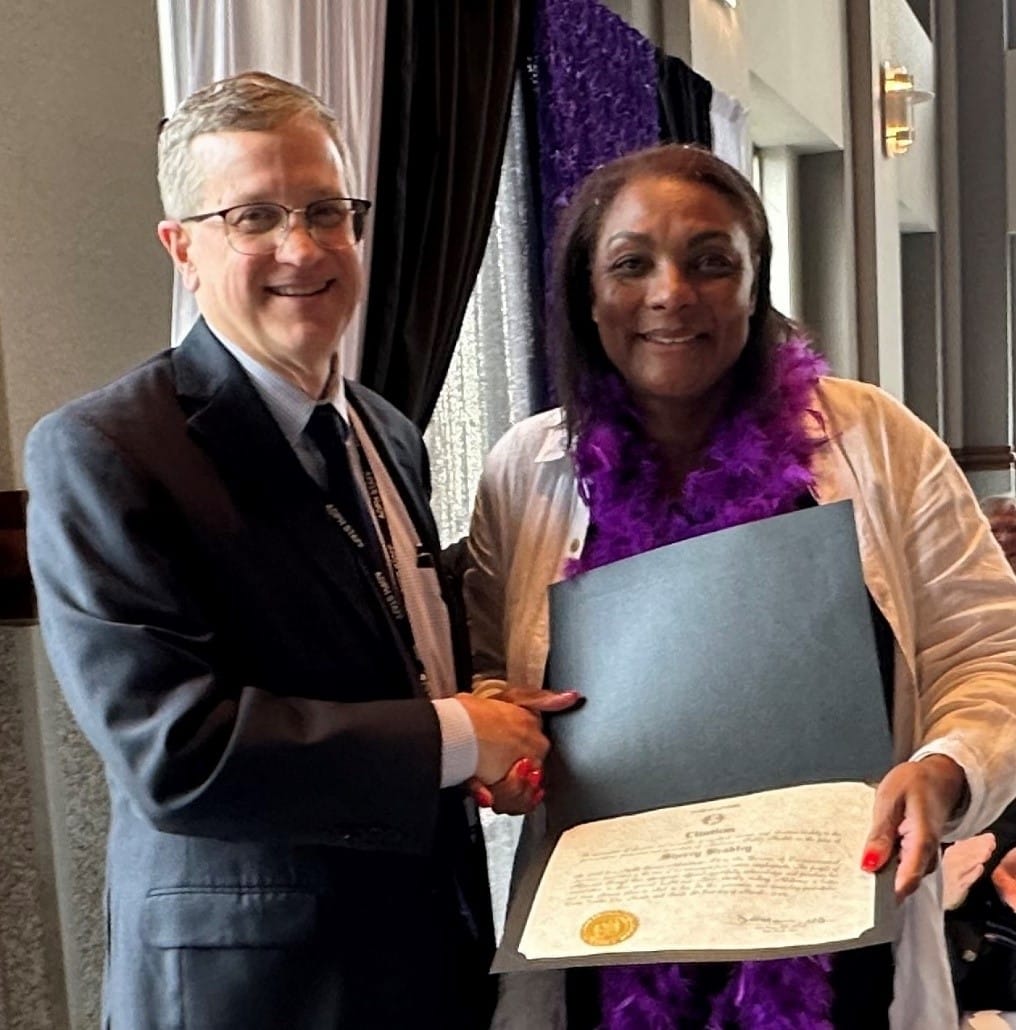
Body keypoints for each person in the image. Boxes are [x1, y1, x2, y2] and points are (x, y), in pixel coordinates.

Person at [24, 71, 575, 1030]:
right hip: (253, 993)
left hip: (428, 960)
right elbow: (177, 754)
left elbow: (394, 663)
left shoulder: (389, 433)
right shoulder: (104, 450)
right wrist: (457, 735)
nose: (303, 247)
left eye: (328, 210)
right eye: (255, 216)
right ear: (182, 247)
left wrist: (485, 723)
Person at [463, 143, 1016, 1029]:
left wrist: (947, 769)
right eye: (631, 263)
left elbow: (989, 652)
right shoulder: (524, 473)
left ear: (757, 285)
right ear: (586, 293)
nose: (672, 293)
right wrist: (507, 743)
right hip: (608, 946)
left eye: (712, 261)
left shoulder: (877, 442)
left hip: (840, 936)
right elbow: (494, 673)